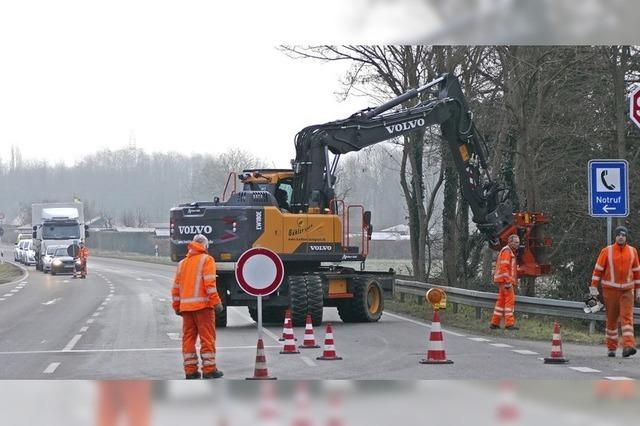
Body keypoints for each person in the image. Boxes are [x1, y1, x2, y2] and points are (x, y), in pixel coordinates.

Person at [172, 234, 224, 379]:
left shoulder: (182, 263)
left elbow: (176, 288)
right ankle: (209, 370)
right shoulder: (207, 260)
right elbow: (210, 284)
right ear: (205, 246)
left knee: (188, 339)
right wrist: (216, 303)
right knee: (207, 339)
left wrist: (177, 306)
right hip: (203, 307)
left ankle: (190, 371)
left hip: (186, 309)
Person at [590, 226, 640, 358]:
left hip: (627, 291)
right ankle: (611, 347)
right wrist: (593, 289)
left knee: (627, 318)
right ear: (615, 237)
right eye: (618, 235)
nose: (621, 237)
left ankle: (628, 346)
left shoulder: (632, 251)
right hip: (610, 291)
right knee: (612, 320)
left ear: (626, 237)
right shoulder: (607, 251)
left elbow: (637, 272)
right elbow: (597, 271)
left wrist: (638, 290)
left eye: (623, 235)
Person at [490, 234, 520, 330]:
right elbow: (504, 267)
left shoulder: (508, 251)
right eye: (515, 242)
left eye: (518, 242)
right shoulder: (507, 251)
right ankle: (509, 324)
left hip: (503, 281)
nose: (517, 244)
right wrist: (508, 281)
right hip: (506, 281)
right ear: (510, 242)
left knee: (501, 302)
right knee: (509, 301)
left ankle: (494, 323)